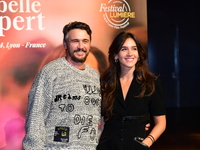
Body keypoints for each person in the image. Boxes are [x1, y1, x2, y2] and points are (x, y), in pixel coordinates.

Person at [22, 21, 101, 150]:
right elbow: (35, 119)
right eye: (75, 41)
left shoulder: (94, 76)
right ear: (65, 44)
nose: (81, 46)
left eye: (85, 41)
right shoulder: (50, 72)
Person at [97, 32, 166, 150]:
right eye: (124, 49)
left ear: (139, 54)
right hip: (108, 146)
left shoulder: (151, 82)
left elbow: (161, 123)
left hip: (136, 146)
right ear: (116, 55)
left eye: (134, 49)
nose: (130, 53)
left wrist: (146, 143)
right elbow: (102, 122)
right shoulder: (105, 82)